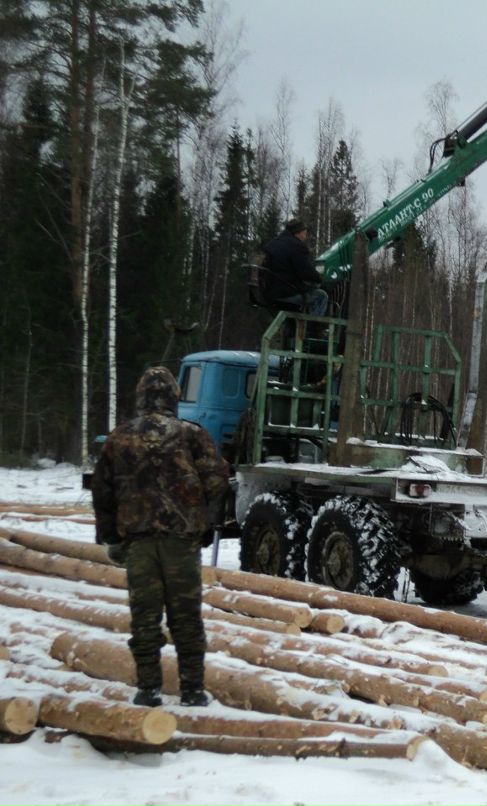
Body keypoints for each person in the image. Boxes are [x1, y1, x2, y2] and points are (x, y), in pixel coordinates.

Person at [92, 366, 229, 708]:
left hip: (137, 543)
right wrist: (205, 524)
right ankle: (193, 690)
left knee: (144, 617)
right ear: (174, 397)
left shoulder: (120, 437)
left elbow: (102, 490)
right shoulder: (192, 434)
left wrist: (110, 536)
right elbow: (217, 480)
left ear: (140, 397)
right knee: (186, 617)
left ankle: (148, 688)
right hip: (181, 543)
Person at [261, 217, 329, 317]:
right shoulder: (296, 246)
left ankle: (294, 327)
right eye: (305, 233)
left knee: (308, 290)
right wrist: (320, 279)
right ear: (297, 233)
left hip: (269, 292)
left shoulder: (272, 244)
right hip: (286, 293)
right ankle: (314, 328)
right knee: (321, 296)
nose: (305, 236)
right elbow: (306, 272)